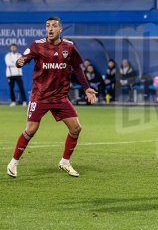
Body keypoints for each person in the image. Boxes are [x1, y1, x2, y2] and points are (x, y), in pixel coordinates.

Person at [6, 17, 97, 178]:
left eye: (54, 26)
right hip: (40, 96)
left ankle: (65, 162)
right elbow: (23, 60)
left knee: (76, 128)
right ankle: (13, 163)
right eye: (48, 26)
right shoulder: (37, 45)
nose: (50, 28)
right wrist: (20, 62)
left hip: (60, 97)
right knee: (31, 130)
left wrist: (87, 88)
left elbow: (77, 68)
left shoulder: (69, 47)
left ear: (60, 29)